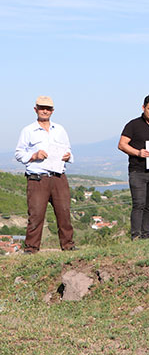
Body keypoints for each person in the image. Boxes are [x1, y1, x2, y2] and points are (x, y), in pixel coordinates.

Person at [15, 96, 76, 253]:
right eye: (42, 108)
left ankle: (68, 246)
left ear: (52, 111)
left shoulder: (60, 130)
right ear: (35, 109)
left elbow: (69, 151)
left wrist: (68, 156)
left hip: (58, 177)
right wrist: (34, 156)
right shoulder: (28, 131)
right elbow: (19, 154)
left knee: (64, 212)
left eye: (48, 108)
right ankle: (31, 248)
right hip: (38, 178)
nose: (45, 111)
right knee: (36, 214)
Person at [118, 94, 149, 240]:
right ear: (143, 108)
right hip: (137, 171)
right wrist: (138, 153)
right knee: (138, 204)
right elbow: (121, 145)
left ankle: (146, 235)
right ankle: (135, 236)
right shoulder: (133, 125)